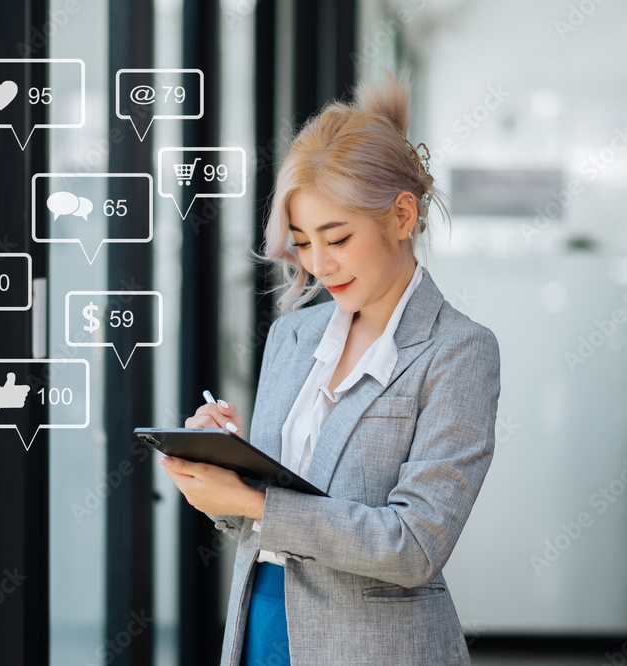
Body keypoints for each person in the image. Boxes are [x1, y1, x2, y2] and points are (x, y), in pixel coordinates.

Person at [160, 71, 501, 665]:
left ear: (401, 216)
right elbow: (263, 518)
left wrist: (256, 504)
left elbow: (414, 545)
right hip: (259, 628)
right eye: (302, 241)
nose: (318, 264)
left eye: (337, 238)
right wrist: (225, 472)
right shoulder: (292, 336)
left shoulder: (459, 351)